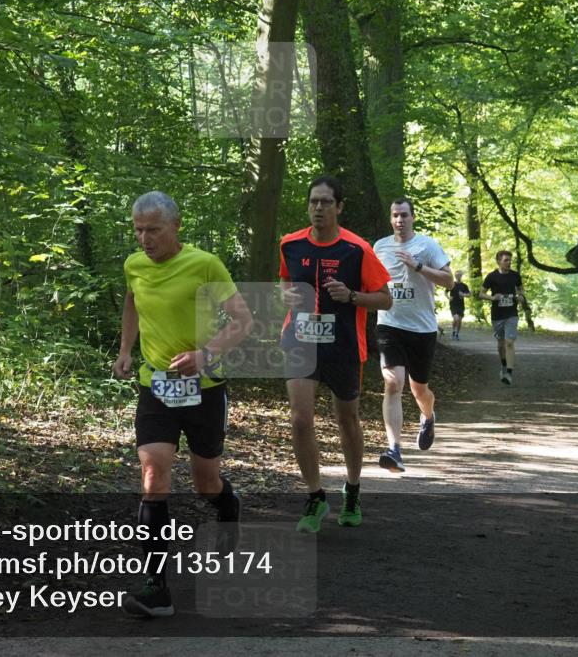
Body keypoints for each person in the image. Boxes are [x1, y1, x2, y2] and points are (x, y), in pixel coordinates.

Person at [113, 191, 253, 617]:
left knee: (204, 481)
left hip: (204, 389)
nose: (144, 238)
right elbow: (133, 301)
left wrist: (204, 355)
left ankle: (227, 505)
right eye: (138, 229)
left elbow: (243, 321)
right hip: (155, 386)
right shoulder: (134, 265)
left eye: (153, 230)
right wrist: (125, 350)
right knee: (154, 475)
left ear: (176, 227)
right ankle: (157, 588)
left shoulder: (205, 265)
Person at [279, 176, 391, 532]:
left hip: (343, 345)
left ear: (339, 207)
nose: (319, 208)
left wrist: (353, 296)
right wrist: (285, 296)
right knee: (300, 419)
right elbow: (284, 280)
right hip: (299, 340)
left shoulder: (357, 249)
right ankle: (315, 497)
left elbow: (386, 298)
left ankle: (353, 489)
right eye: (314, 202)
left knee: (348, 421)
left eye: (326, 202)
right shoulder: (290, 244)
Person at [372, 198, 454, 473]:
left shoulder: (428, 246)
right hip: (389, 325)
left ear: (413, 217)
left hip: (421, 329)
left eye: (404, 215)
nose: (399, 220)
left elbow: (449, 281)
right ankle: (394, 449)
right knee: (393, 383)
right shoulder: (380, 247)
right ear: (390, 218)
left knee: (420, 390)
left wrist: (418, 267)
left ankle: (428, 416)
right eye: (395, 215)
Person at [478, 250, 527, 385]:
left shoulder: (515, 276)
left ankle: (509, 374)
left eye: (510, 260)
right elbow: (481, 294)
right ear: (499, 261)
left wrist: (521, 296)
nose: (509, 262)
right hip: (497, 315)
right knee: (501, 345)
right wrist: (493, 297)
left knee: (509, 342)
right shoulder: (492, 277)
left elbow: (521, 289)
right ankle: (504, 365)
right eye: (506, 260)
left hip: (512, 313)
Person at [449, 271, 471, 340]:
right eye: (457, 275)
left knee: (459, 320)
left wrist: (463, 295)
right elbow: (445, 292)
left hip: (461, 305)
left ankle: (457, 334)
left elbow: (469, 294)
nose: (458, 276)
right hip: (453, 304)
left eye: (460, 275)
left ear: (461, 276)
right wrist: (449, 297)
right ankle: (453, 331)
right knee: (456, 319)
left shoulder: (464, 285)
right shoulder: (452, 284)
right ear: (455, 276)